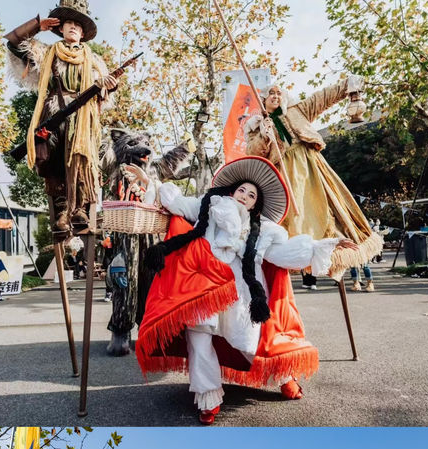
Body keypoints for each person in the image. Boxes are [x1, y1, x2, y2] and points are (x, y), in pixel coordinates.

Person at [129, 156, 356, 423]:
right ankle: (208, 399)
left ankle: (283, 375)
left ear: (255, 203)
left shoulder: (265, 230)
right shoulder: (209, 206)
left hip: (242, 290)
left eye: (251, 195)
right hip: (204, 286)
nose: (245, 196)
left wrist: (323, 246)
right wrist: (149, 181)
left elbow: (283, 253)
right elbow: (176, 202)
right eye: (242, 190)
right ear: (232, 190)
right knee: (199, 339)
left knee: (250, 341)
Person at [244, 81, 383, 286]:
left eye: (278, 93)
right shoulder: (256, 126)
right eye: (270, 93)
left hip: (312, 169)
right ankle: (304, 256)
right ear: (263, 99)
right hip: (285, 178)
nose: (275, 96)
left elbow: (322, 98)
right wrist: (264, 135)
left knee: (331, 209)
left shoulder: (298, 110)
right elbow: (252, 153)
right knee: (296, 222)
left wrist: (346, 85)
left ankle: (339, 253)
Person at [5, 0, 117, 236]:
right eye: (69, 23)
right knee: (53, 158)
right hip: (55, 112)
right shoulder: (47, 53)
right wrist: (37, 26)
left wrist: (108, 86)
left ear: (84, 33)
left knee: (83, 159)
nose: (74, 27)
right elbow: (14, 43)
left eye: (78, 24)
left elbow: (103, 94)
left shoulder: (95, 61)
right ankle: (62, 210)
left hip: (84, 117)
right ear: (60, 28)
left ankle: (80, 209)